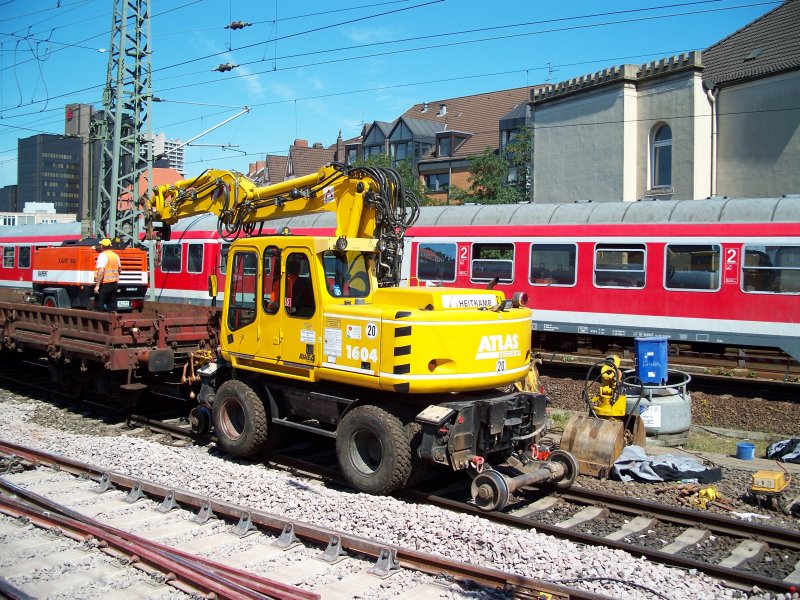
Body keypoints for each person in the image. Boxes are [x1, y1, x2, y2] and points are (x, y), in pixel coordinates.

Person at [94, 238, 121, 312]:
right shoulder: (115, 255)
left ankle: (101, 321)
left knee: (100, 304)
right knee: (112, 305)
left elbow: (101, 271)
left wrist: (97, 285)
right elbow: (119, 270)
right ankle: (113, 320)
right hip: (114, 283)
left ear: (102, 246)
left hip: (105, 284)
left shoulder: (102, 256)